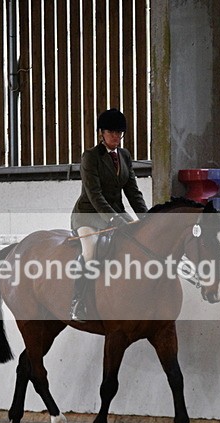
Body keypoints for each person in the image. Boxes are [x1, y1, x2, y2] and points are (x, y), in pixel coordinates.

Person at [69, 108, 148, 322]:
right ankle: (78, 302)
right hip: (88, 215)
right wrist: (114, 219)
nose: (116, 137)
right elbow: (94, 194)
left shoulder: (124, 156)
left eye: (119, 132)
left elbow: (133, 192)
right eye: (111, 132)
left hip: (117, 213)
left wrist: (146, 218)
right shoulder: (90, 157)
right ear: (101, 133)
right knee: (91, 251)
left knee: (141, 242)